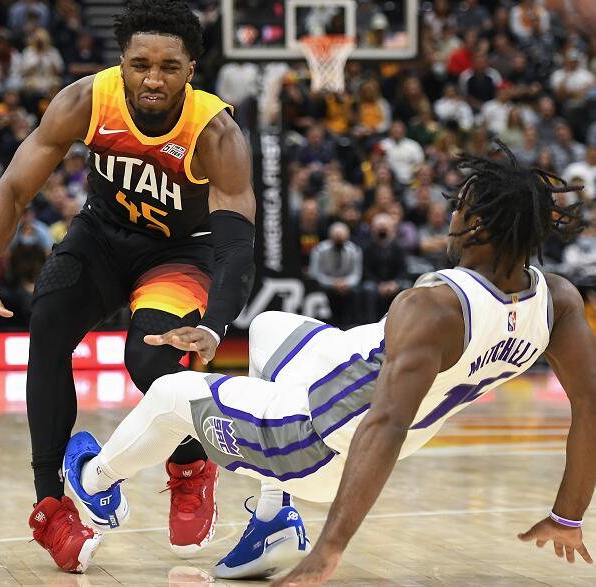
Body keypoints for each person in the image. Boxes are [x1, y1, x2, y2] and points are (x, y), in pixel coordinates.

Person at [62, 141, 595, 582]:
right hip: (343, 380)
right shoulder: (557, 302)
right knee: (269, 327)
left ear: (475, 223)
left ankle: (97, 480)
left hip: (314, 440)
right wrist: (567, 516)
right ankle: (272, 518)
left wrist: (330, 550)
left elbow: (385, 426)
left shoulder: (434, 309)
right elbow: (591, 406)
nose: (450, 216)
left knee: (169, 394)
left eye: (458, 207)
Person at [0, 0, 263, 574]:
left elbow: (234, 245)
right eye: (140, 64)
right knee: (48, 325)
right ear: (122, 62)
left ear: (191, 70)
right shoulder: (86, 100)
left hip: (179, 254)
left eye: (169, 67)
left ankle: (189, 464)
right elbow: (12, 189)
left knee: (148, 361)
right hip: (102, 237)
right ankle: (51, 508)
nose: (153, 79)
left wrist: (214, 324)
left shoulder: (216, 133)